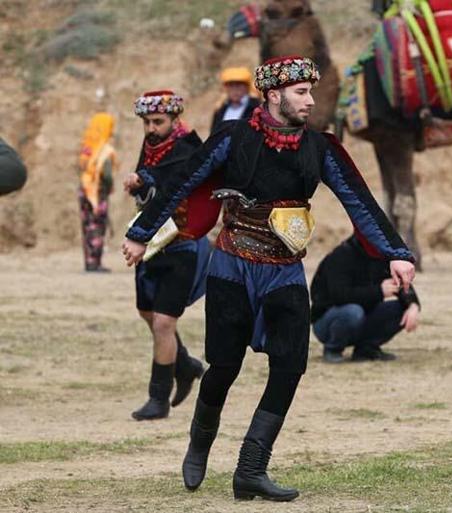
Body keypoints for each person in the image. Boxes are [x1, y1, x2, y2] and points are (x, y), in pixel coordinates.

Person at [121, 56, 415, 502]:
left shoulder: (321, 148)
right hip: (231, 266)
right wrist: (141, 234)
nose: (310, 101)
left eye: (310, 92)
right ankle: (200, 441)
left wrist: (396, 253)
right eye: (301, 92)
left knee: (291, 365)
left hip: (285, 270)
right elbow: (182, 182)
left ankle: (251, 469)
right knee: (225, 366)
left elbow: (360, 201)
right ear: (274, 94)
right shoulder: (232, 139)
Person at [124, 90, 221, 421]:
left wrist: (144, 179)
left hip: (182, 243)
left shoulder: (189, 148)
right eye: (147, 122)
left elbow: (173, 183)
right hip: (152, 242)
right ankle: (186, 365)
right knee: (147, 314)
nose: (151, 128)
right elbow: (149, 186)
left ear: (174, 120)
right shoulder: (152, 144)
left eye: (158, 122)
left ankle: (158, 399)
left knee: (164, 322)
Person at [311, 233, 420, 363]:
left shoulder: (381, 256)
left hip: (362, 317)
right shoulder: (340, 256)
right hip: (326, 322)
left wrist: (413, 305)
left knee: (401, 308)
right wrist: (379, 291)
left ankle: (365, 349)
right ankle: (333, 349)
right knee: (353, 312)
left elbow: (403, 283)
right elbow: (339, 296)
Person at [77, 113, 117, 272]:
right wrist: (109, 187)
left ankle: (89, 262)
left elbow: (80, 169)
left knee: (87, 227)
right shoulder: (105, 150)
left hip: (84, 191)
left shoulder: (87, 147)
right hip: (98, 193)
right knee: (97, 227)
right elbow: (106, 175)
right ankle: (95, 263)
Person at [210, 67, 262, 133]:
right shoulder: (220, 109)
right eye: (231, 85)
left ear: (247, 87)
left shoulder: (256, 108)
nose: (235, 90)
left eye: (238, 85)